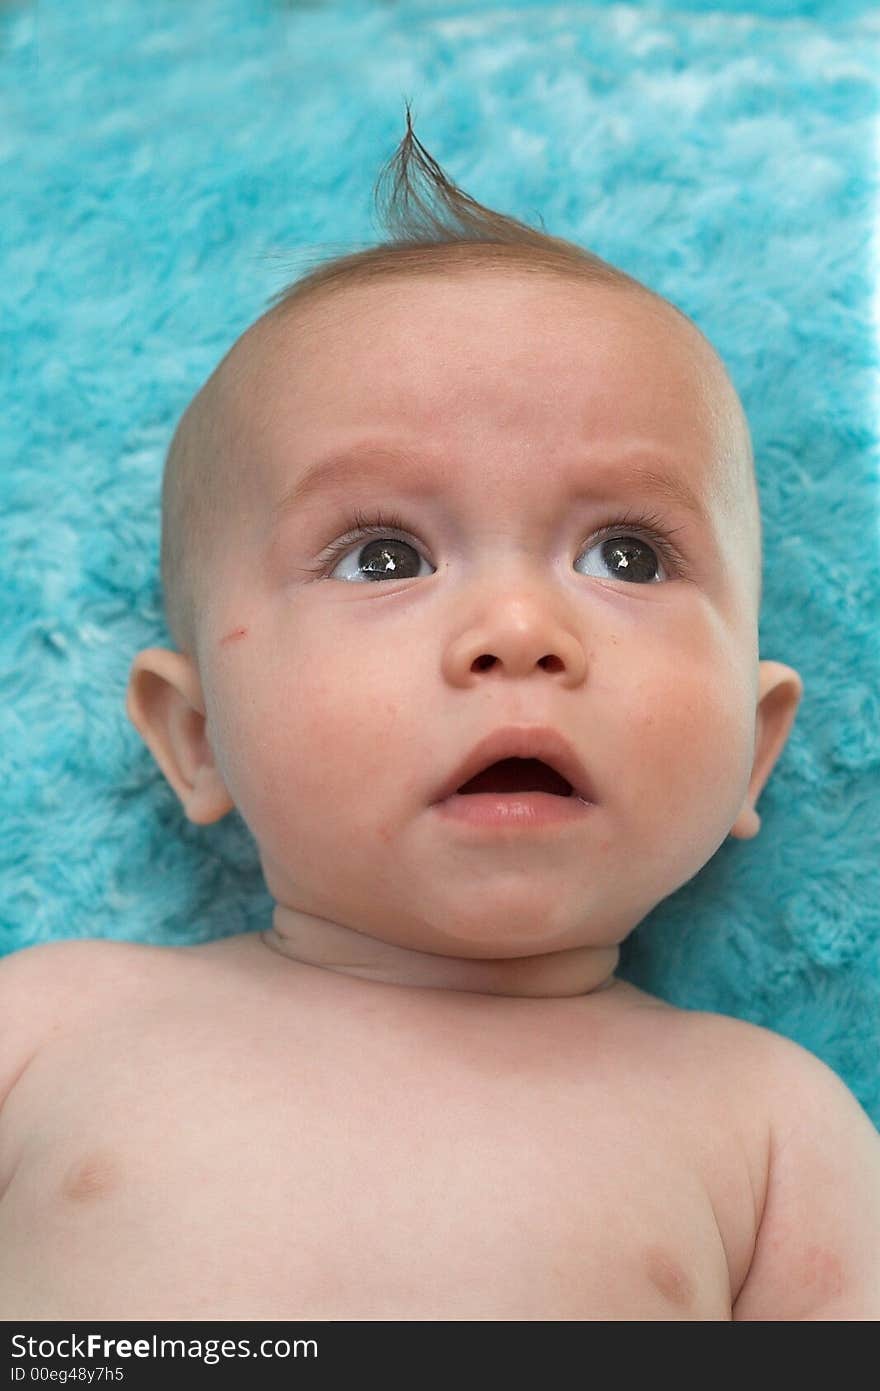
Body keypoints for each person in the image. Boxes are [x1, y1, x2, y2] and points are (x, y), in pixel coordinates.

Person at [2, 109, 878, 1320]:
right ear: (196, 736)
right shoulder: (46, 1027)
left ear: (755, 747)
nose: (518, 630)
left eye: (626, 556)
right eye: (381, 556)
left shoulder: (776, 1131)